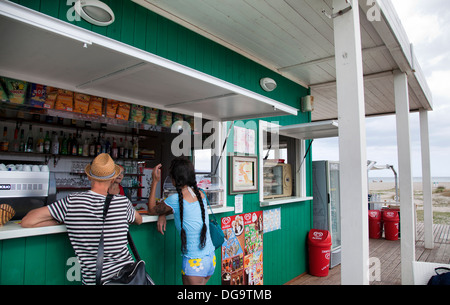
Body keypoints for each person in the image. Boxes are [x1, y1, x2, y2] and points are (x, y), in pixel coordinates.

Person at [21, 153, 142, 285]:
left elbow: (28, 221)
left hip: (96, 281)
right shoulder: (122, 202)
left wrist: (63, 220)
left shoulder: (72, 202)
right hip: (129, 278)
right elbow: (139, 220)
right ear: (113, 179)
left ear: (89, 176)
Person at [148, 157, 216, 285]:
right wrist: (162, 214)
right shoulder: (201, 194)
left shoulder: (174, 200)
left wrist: (155, 181)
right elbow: (182, 210)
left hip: (193, 264)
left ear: (174, 179)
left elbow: (151, 209)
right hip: (210, 259)